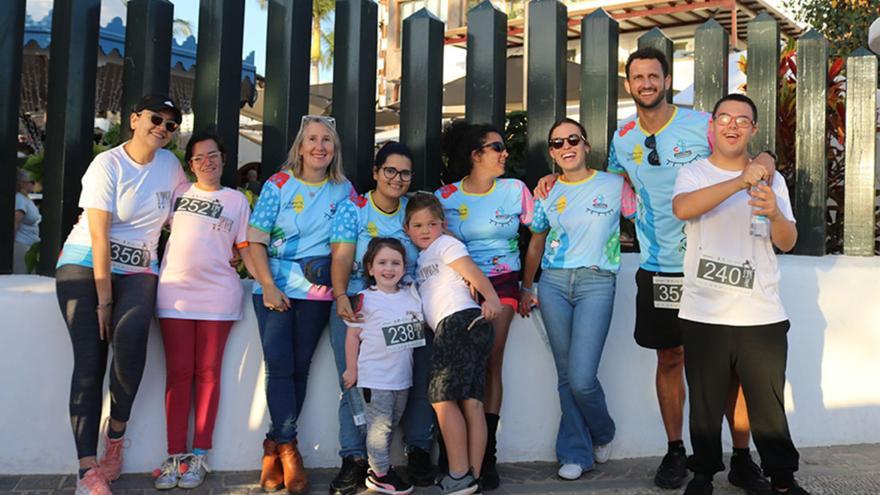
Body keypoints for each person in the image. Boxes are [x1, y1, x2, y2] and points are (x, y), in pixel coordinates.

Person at [535, 47, 775, 491]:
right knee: (670, 359)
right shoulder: (624, 139)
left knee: (729, 367)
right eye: (637, 76)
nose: (646, 83)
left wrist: (768, 162)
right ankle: (675, 451)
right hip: (659, 266)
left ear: (666, 80)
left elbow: (749, 155)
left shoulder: (700, 123)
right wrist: (554, 179)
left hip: (710, 264)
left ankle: (741, 457)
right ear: (629, 84)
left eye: (653, 75)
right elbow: (601, 184)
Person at [672, 94, 807, 495]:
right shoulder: (694, 172)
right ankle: (702, 475)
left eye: (742, 120)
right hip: (704, 312)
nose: (732, 126)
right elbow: (683, 209)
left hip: (760, 313)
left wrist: (774, 213)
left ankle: (782, 478)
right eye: (725, 118)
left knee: (767, 405)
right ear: (711, 126)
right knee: (705, 404)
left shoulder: (773, 180)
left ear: (753, 130)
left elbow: (787, 242)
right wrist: (740, 181)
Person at [54, 94, 187, 495]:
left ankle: (115, 435)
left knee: (130, 343)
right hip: (86, 263)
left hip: (139, 268)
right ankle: (87, 469)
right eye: (155, 118)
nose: (162, 128)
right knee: (90, 361)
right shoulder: (107, 164)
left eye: (171, 124)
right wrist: (103, 299)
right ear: (134, 119)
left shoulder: (170, 166)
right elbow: (98, 237)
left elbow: (187, 209)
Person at [519, 118, 635, 480]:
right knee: (566, 374)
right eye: (557, 143)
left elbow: (647, 212)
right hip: (553, 284)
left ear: (586, 144)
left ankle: (602, 431)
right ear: (552, 154)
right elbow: (537, 241)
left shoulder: (615, 185)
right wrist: (526, 286)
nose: (566, 146)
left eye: (573, 139)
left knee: (582, 377)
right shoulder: (546, 191)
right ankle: (574, 451)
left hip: (597, 281)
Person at [247, 115, 355, 494]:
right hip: (274, 288)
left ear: (335, 149)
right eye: (312, 139)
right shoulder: (278, 185)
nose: (319, 146)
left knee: (299, 369)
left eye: (327, 140)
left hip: (317, 292)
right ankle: (288, 448)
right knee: (278, 366)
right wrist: (268, 285)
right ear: (300, 146)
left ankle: (273, 447)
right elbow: (253, 242)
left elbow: (345, 248)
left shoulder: (344, 190)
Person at [329, 142, 434, 494]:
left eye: (404, 172)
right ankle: (355, 458)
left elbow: (435, 243)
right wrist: (343, 295)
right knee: (355, 383)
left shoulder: (413, 210)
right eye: (390, 170)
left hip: (408, 305)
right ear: (375, 172)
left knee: (416, 381)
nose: (397, 178)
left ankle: (418, 450)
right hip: (361, 306)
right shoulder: (354, 209)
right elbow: (342, 257)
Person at [151, 131, 255, 490]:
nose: (206, 162)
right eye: (198, 158)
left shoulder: (237, 200)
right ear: (190, 165)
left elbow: (244, 247)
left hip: (218, 297)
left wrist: (264, 282)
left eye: (213, 155)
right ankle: (174, 455)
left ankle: (199, 454)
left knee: (208, 374)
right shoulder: (178, 194)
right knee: (178, 374)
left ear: (224, 159)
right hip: (174, 296)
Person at [434, 120, 533, 490]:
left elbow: (539, 229)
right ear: (476, 155)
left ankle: (487, 454)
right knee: (455, 368)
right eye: (496, 147)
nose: (505, 153)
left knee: (490, 361)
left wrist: (528, 285)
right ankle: (453, 452)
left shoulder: (515, 190)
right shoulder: (445, 197)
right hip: (457, 288)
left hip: (504, 281)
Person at [405, 193, 501, 495]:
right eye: (417, 225)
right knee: (471, 403)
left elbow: (469, 269)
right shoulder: (423, 258)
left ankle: (458, 473)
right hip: (465, 325)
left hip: (458, 323)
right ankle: (472, 476)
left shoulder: (445, 244)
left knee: (441, 398)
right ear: (407, 229)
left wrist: (491, 296)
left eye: (432, 224)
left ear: (443, 225)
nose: (424, 230)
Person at [342, 237, 425, 495]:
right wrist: (351, 369)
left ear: (404, 267)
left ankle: (378, 467)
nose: (389, 268)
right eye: (382, 263)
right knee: (380, 428)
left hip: (402, 377)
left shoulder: (411, 295)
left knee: (393, 422)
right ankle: (379, 474)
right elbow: (352, 336)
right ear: (370, 268)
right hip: (374, 378)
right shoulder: (364, 299)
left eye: (395, 263)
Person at [13, 168, 40, 274]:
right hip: (21, 245)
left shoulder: (26, 199)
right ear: (22, 183)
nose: (35, 184)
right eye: (32, 182)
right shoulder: (19, 199)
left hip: (29, 246)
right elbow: (16, 222)